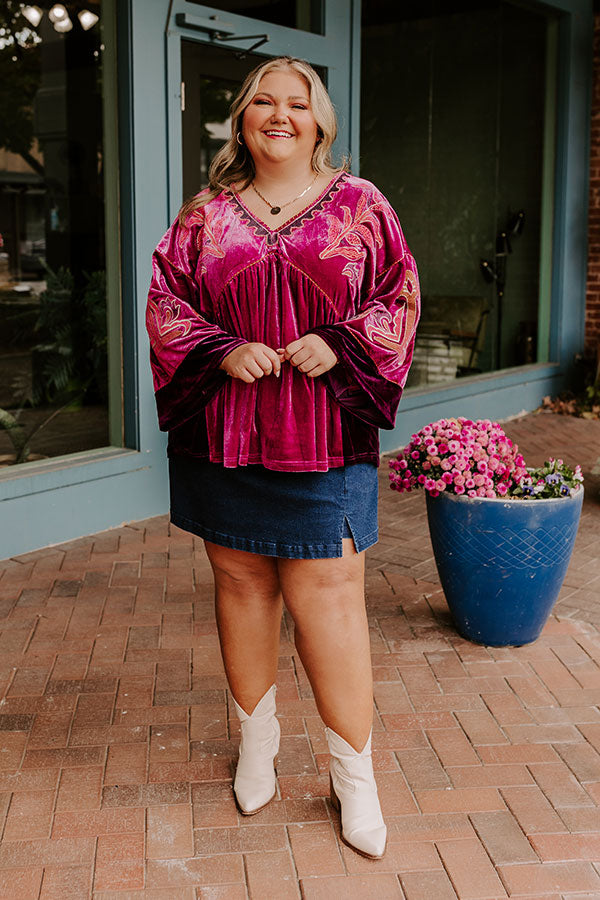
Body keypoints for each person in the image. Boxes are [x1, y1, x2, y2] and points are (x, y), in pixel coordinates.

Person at [146, 56, 420, 860]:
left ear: (318, 121)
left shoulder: (362, 205)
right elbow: (165, 304)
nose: (279, 114)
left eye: (296, 104)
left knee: (328, 595)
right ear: (242, 118)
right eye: (263, 101)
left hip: (324, 437)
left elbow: (400, 297)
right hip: (225, 435)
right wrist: (221, 349)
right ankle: (256, 745)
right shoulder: (203, 217)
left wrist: (342, 343)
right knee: (240, 582)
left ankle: (354, 778)